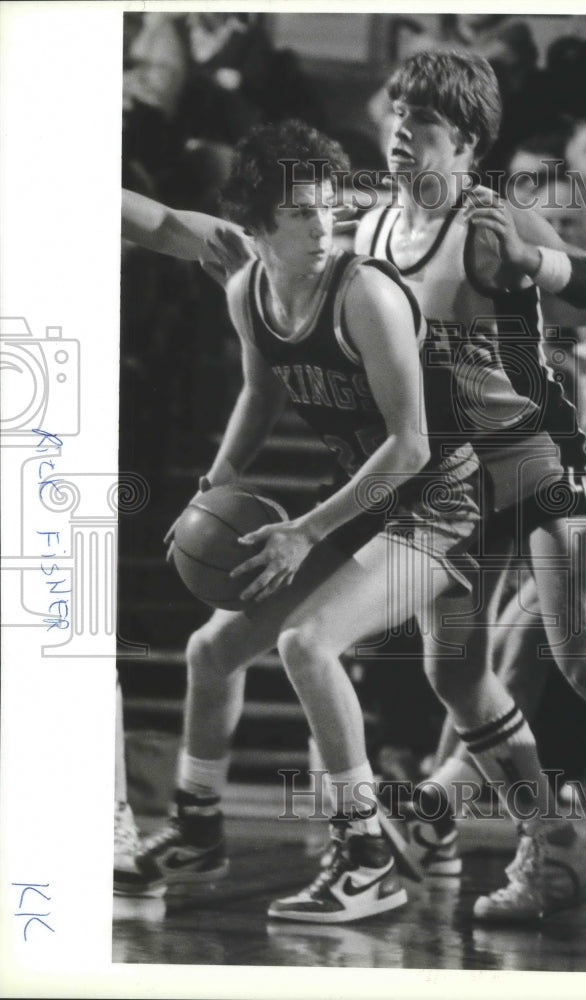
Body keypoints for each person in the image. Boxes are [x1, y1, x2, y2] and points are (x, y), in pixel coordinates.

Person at [119, 54, 586, 922]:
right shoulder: (362, 232)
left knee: (575, 656)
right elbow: (216, 242)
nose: (400, 128)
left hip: (517, 459)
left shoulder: (488, 221)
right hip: (420, 469)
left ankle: (480, 837)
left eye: (422, 120)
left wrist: (535, 264)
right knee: (451, 673)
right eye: (397, 113)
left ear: (466, 144)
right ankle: (496, 833)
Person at [116, 120, 484, 925]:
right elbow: (261, 390)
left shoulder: (366, 293)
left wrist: (304, 531)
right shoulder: (246, 286)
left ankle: (366, 861)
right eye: (300, 218)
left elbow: (412, 443)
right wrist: (218, 476)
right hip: (362, 496)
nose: (322, 230)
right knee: (210, 651)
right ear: (256, 230)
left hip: (444, 498)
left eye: (328, 211)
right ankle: (198, 829)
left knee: (308, 643)